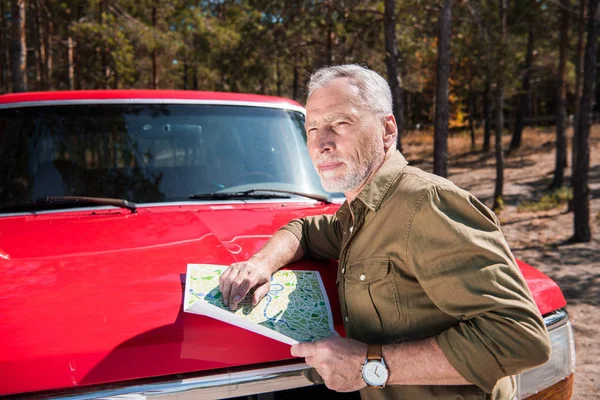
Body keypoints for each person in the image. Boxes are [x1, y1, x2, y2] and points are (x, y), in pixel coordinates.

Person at [219, 64, 551, 400]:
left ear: (387, 130)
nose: (321, 144)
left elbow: (520, 337)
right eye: (312, 128)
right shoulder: (360, 212)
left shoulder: (426, 203)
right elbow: (304, 230)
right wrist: (261, 263)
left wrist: (367, 365)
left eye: (340, 123)